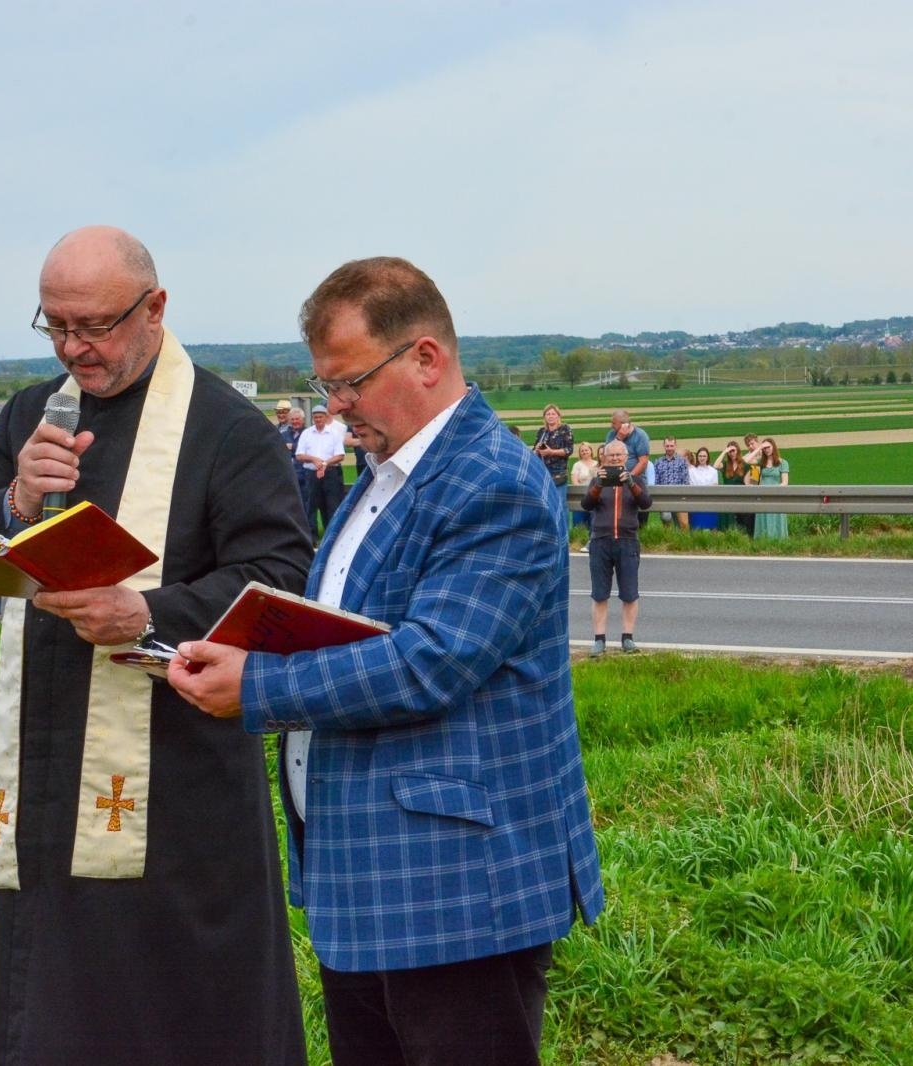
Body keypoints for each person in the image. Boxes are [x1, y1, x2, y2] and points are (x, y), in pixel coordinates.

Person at [166, 256, 603, 1066]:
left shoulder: (493, 483)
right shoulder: (387, 476)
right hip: (369, 874)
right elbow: (348, 626)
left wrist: (257, 685)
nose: (335, 405)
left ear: (426, 358)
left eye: (350, 382)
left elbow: (429, 662)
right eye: (326, 384)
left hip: (459, 889)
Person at [0, 225, 312, 1064]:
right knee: (56, 1007)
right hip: (45, 771)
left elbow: (279, 580)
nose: (75, 348)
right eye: (55, 325)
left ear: (155, 308)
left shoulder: (226, 427)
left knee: (178, 1010)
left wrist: (146, 615)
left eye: (95, 326)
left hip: (179, 780)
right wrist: (13, 506)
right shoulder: (34, 414)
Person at [583, 438, 650, 656]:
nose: (614, 459)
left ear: (626, 458)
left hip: (627, 540)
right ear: (604, 457)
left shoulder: (637, 479)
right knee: (599, 593)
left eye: (619, 455)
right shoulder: (597, 480)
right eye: (610, 455)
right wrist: (599, 485)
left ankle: (627, 638)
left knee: (630, 593)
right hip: (600, 540)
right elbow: (586, 505)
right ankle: (599, 639)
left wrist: (630, 482)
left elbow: (646, 503)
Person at [295, 403, 347, 538]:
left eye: (320, 417)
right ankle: (311, 537)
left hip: (330, 473)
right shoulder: (306, 433)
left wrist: (324, 463)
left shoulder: (334, 434)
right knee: (310, 506)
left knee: (331, 505)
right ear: (313, 418)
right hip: (311, 474)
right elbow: (299, 455)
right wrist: (313, 459)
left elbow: (340, 455)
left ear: (325, 417)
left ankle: (332, 536)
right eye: (316, 417)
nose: (318, 420)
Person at [532, 402, 574, 510]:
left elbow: (569, 450)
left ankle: (563, 527)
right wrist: (536, 450)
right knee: (545, 505)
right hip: (543, 474)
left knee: (560, 504)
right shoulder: (542, 432)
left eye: (553, 414)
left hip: (558, 474)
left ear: (558, 416)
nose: (550, 416)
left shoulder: (565, 429)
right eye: (548, 414)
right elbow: (534, 452)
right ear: (544, 417)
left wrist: (552, 452)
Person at [651, 435, 691, 530]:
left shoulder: (682, 461)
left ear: (675, 446)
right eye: (667, 446)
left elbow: (685, 481)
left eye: (671, 446)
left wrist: (684, 497)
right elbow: (656, 481)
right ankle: (669, 542)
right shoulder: (658, 462)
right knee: (666, 519)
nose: (669, 448)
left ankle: (685, 542)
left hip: (679, 496)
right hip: (665, 497)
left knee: (684, 524)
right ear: (664, 446)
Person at [715, 440, 753, 535]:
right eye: (730, 451)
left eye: (734, 450)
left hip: (741, 496)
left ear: (738, 451)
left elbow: (747, 482)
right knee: (730, 520)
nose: (732, 453)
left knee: (743, 520)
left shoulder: (745, 465)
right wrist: (724, 451)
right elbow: (715, 466)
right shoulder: (726, 465)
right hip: (728, 496)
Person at [754, 437, 789, 539]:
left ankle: (779, 541)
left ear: (773, 447)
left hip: (776, 496)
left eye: (768, 447)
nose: (766, 450)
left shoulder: (783, 463)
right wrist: (758, 448)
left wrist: (773, 490)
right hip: (762, 496)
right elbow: (746, 462)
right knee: (763, 517)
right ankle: (763, 541)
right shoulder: (760, 462)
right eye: (764, 448)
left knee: (776, 518)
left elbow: (785, 482)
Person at [688, 445, 719, 531]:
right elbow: (692, 486)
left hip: (710, 503)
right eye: (700, 456)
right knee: (696, 528)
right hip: (696, 502)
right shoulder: (692, 471)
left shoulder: (713, 471)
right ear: (697, 457)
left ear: (707, 457)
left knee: (712, 527)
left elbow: (714, 487)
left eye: (704, 456)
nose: (702, 458)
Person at [569, 440, 598, 529]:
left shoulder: (597, 464)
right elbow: (574, 481)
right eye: (582, 451)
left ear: (591, 451)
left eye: (586, 450)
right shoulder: (577, 465)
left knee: (594, 522)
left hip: (595, 496)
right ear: (580, 453)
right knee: (579, 523)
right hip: (581, 496)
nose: (584, 452)